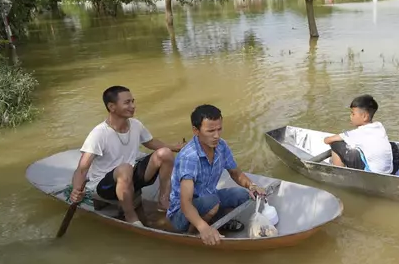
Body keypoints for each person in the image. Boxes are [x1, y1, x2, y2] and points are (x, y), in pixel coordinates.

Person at [70, 86, 182, 226]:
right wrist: (76, 189)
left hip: (130, 176)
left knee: (165, 153)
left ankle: (164, 200)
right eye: (127, 102)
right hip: (105, 186)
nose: (133, 106)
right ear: (112, 107)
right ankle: (131, 216)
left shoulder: (136, 125)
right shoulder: (99, 134)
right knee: (125, 168)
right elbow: (82, 168)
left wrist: (173, 147)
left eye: (133, 101)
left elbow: (151, 142)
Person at [167, 104, 266, 246]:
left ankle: (213, 221)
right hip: (181, 214)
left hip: (209, 198)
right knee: (212, 202)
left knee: (242, 195)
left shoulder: (221, 146)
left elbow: (235, 172)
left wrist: (252, 186)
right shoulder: (189, 157)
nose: (216, 135)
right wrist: (203, 228)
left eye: (219, 129)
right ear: (196, 131)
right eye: (210, 131)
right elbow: (185, 202)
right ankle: (193, 233)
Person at [323, 94, 393, 174]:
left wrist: (326, 139)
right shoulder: (379, 126)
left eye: (353, 114)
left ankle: (338, 174)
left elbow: (327, 140)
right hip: (388, 171)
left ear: (364, 117)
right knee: (352, 147)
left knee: (336, 144)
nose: (350, 116)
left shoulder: (358, 133)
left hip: (372, 174)